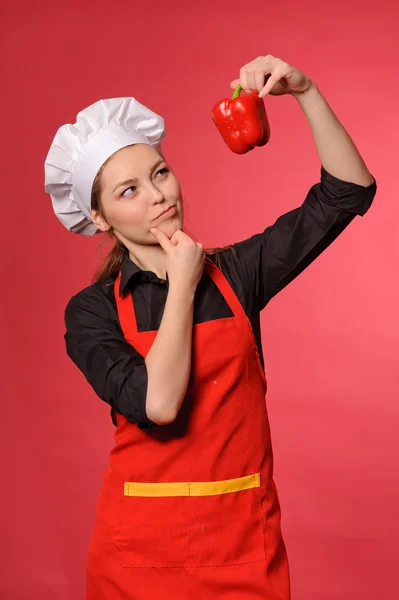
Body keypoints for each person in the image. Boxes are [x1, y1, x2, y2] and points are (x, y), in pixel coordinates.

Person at [44, 55, 376, 600]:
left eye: (159, 172)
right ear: (99, 217)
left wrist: (306, 91)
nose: (158, 195)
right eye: (128, 191)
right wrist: (182, 283)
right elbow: (160, 403)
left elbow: (348, 192)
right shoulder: (91, 312)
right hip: (137, 556)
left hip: (241, 540)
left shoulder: (238, 274)